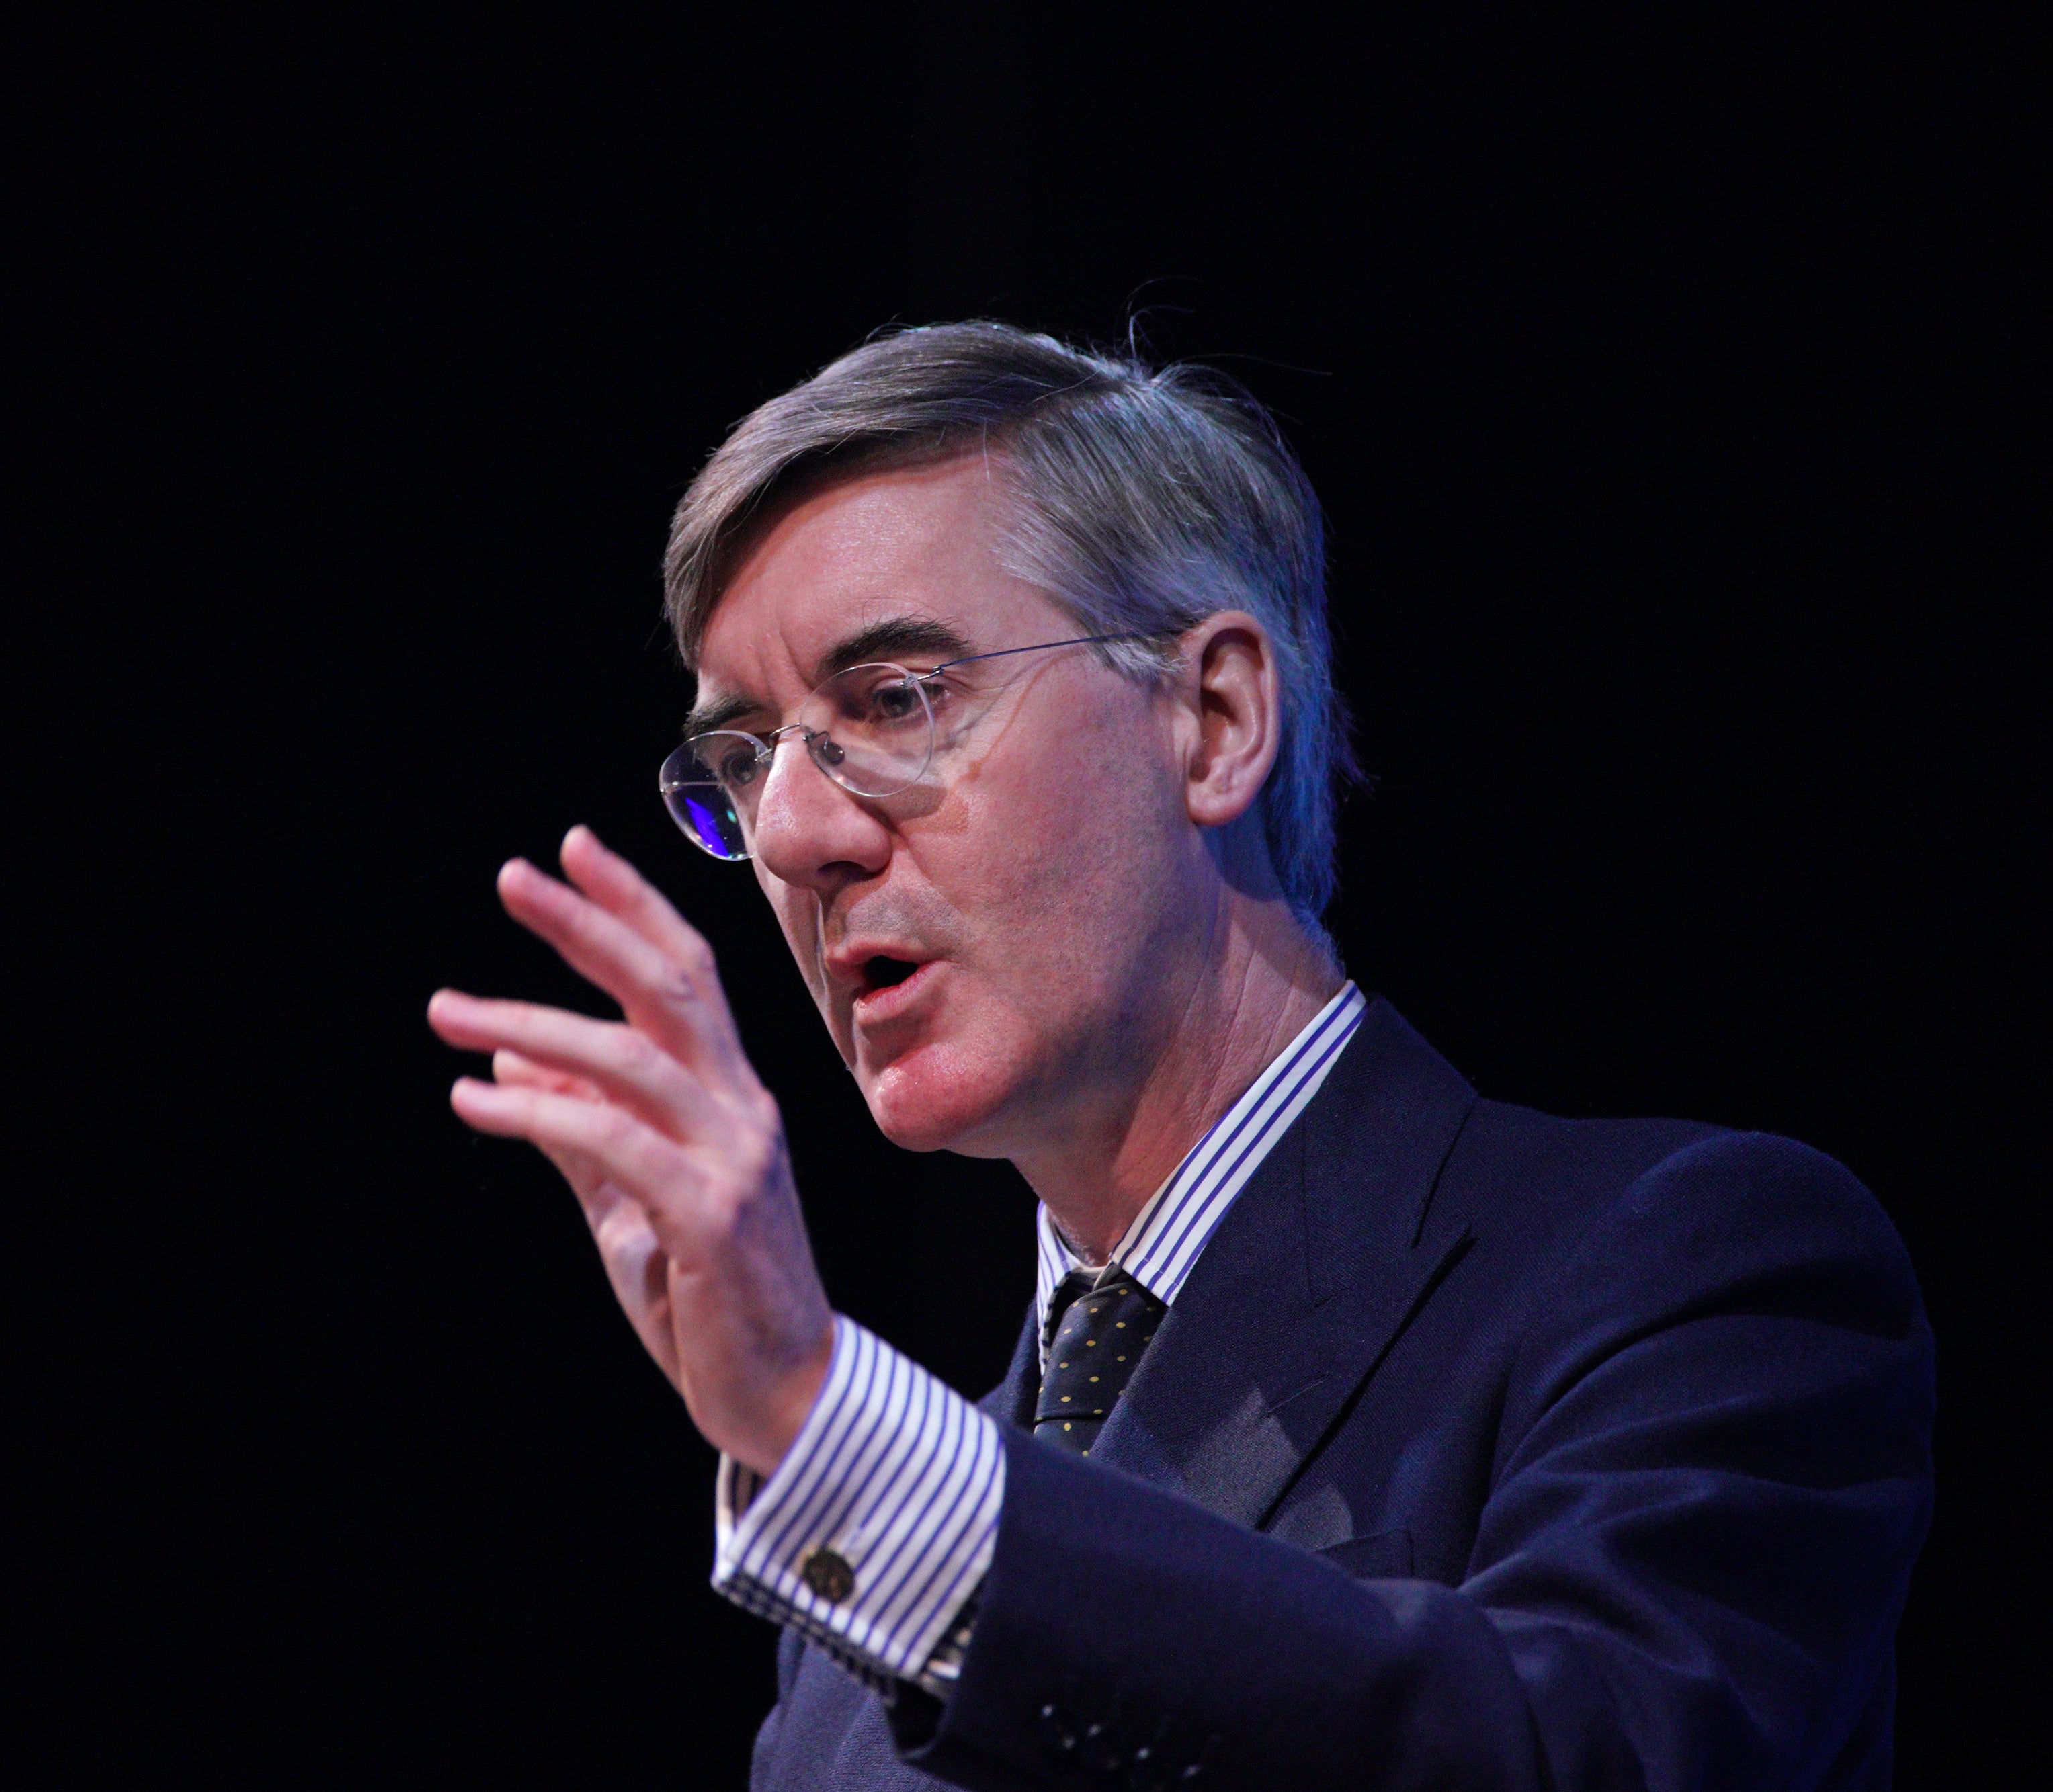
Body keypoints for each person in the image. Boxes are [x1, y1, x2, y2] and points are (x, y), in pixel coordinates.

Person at [426, 323, 1931, 1790]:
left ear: (1212, 719)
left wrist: (831, 1426)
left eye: (896, 700)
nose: (796, 836)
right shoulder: (847, 1636)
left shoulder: (1686, 1270)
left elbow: (1556, 1750)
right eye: (745, 759)